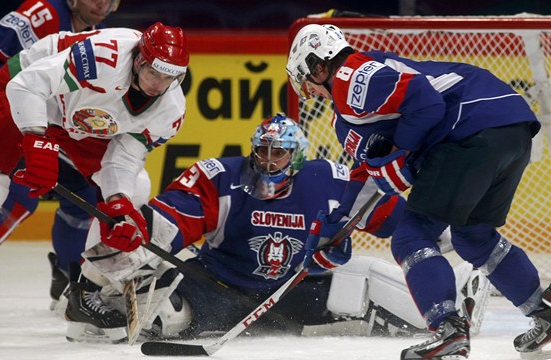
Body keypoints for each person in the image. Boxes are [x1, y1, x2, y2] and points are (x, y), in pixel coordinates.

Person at [72, 114, 491, 344]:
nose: (269, 161)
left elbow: (388, 214)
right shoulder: (222, 177)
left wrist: (449, 237)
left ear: (297, 157)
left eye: (279, 153)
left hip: (295, 287)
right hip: (219, 287)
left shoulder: (329, 179)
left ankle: (458, 290)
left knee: (372, 289)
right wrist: (137, 235)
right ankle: (90, 302)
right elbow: (173, 218)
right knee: (160, 319)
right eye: (264, 151)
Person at [286, 23, 549, 359]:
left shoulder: (352, 75)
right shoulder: (350, 107)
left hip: (471, 129)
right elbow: (367, 170)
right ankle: (543, 312)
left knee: (412, 236)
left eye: (308, 83)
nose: (311, 93)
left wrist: (401, 150)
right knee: (474, 236)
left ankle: (448, 330)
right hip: (510, 129)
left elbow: (424, 101)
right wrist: (337, 226)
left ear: (320, 66)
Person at [0, 21, 189, 325]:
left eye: (168, 77)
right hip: (31, 93)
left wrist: (117, 202)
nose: (158, 84)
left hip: (84, 123)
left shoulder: (171, 110)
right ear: (138, 60)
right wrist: (35, 136)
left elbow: (123, 158)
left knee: (133, 189)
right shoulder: (103, 57)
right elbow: (27, 84)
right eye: (153, 73)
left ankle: (86, 291)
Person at [0, 0, 121, 308]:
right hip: (6, 113)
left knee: (87, 193)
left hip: (41, 125)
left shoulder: (97, 37)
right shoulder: (43, 14)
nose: (102, 4)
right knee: (19, 192)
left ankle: (69, 277)